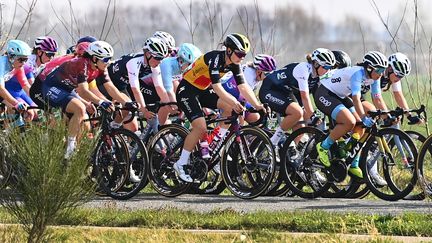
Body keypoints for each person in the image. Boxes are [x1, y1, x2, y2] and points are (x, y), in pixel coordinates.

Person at [173, 33, 266, 182]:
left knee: (229, 108)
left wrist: (257, 105)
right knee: (200, 127)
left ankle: (215, 145)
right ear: (229, 50)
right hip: (187, 90)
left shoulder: (234, 65)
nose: (242, 57)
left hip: (202, 90)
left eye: (244, 54)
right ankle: (181, 163)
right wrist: (234, 101)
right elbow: (217, 88)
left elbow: (243, 87)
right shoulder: (215, 59)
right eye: (240, 53)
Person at [314, 51, 388, 179]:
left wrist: (388, 115)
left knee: (360, 125)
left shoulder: (375, 77)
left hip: (340, 96)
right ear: (369, 68)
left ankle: (354, 163)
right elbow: (356, 98)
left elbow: (377, 98)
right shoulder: (357, 73)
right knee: (350, 122)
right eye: (379, 70)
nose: (381, 73)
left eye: (383, 70)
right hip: (325, 93)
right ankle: (323, 147)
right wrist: (364, 117)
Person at [42, 41, 115, 158]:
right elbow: (83, 91)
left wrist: (119, 102)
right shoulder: (82, 64)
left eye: (110, 59)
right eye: (106, 59)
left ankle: (71, 147)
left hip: (68, 90)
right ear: (95, 59)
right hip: (52, 87)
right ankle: (70, 148)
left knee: (85, 120)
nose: (108, 62)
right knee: (80, 108)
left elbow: (110, 88)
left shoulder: (100, 67)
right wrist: (101, 102)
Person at [259, 48, 335, 149]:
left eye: (330, 67)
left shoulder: (318, 75)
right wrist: (312, 116)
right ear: (316, 64)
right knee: (297, 112)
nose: (328, 70)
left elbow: (321, 97)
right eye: (326, 67)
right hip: (270, 89)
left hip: (286, 92)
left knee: (301, 127)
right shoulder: (303, 69)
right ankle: (273, 142)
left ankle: (288, 152)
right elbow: (305, 96)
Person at [97, 37, 169, 131]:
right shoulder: (134, 62)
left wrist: (169, 104)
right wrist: (144, 110)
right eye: (158, 58)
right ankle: (103, 131)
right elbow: (136, 90)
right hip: (106, 82)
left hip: (121, 86)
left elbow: (160, 87)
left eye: (162, 59)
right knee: (126, 104)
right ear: (147, 54)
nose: (160, 62)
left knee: (128, 109)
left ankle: (113, 129)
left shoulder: (154, 65)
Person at [0, 40, 36, 121]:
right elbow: (1, 89)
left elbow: (26, 86)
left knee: (21, 110)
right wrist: (16, 103)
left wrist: (38, 100)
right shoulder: (1, 64)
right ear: (12, 57)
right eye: (21, 59)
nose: (23, 63)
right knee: (9, 108)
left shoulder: (18, 67)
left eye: (25, 60)